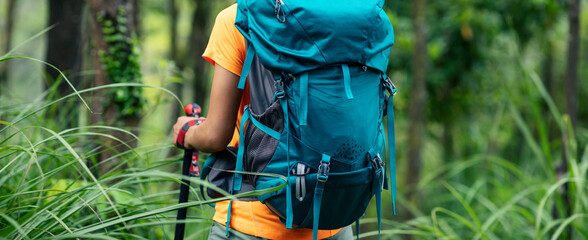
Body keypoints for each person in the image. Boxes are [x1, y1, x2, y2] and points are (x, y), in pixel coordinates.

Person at [172, 3, 353, 240]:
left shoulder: (237, 19)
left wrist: (187, 132)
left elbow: (216, 136)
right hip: (332, 216)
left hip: (252, 218)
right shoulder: (343, 15)